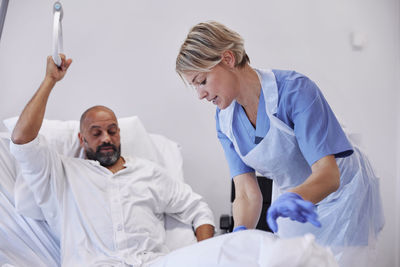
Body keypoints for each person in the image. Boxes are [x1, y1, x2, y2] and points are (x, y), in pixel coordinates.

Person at [175, 21, 384, 266]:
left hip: (343, 198)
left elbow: (329, 175)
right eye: (194, 87)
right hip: (293, 200)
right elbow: (245, 192)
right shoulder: (225, 121)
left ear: (228, 59)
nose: (200, 94)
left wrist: (294, 198)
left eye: (202, 81)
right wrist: (239, 234)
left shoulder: (294, 91)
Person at [10, 55, 215, 267]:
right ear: (82, 139)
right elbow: (22, 139)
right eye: (96, 133)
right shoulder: (61, 174)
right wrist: (49, 80)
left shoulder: (148, 172)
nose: (106, 138)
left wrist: (204, 254)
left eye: (112, 130)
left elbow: (197, 208)